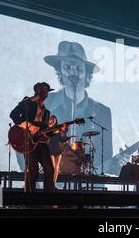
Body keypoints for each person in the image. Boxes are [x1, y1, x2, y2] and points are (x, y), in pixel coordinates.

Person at [44, 41, 112, 172]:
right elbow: (26, 142)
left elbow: (106, 156)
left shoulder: (102, 112)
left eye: (79, 68)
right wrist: (38, 179)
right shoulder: (46, 103)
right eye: (67, 67)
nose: (73, 72)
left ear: (87, 73)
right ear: (60, 71)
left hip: (87, 185)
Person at [10, 82, 55, 192]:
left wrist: (55, 129)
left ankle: (48, 199)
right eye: (43, 91)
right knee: (32, 171)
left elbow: (45, 130)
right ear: (37, 91)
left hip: (41, 142)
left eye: (47, 91)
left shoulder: (47, 112)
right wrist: (30, 126)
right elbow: (13, 115)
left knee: (50, 169)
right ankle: (29, 199)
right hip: (27, 140)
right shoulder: (28, 102)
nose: (45, 93)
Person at [47, 115, 68, 183]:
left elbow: (61, 140)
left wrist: (68, 137)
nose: (52, 121)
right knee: (52, 168)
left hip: (57, 149)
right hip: (50, 149)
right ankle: (50, 183)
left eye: (54, 120)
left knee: (56, 168)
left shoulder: (58, 129)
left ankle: (53, 184)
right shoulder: (46, 128)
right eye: (51, 119)